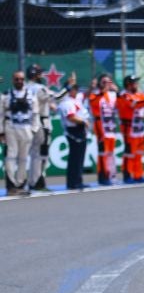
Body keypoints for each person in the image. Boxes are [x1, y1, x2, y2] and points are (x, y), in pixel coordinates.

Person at [1, 70, 39, 195]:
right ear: (13, 80)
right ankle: (11, 186)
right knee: (10, 157)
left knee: (23, 158)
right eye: (17, 79)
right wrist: (1, 131)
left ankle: (21, 184)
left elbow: (35, 114)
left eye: (21, 79)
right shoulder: (6, 95)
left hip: (26, 129)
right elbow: (1, 114)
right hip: (11, 128)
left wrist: (34, 130)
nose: (19, 81)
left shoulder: (31, 95)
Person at [57, 75, 91, 190]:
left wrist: (91, 85)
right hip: (74, 130)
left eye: (76, 88)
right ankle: (73, 182)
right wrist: (84, 121)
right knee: (75, 157)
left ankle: (78, 180)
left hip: (80, 129)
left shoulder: (76, 99)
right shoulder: (66, 102)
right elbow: (71, 117)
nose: (76, 90)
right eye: (74, 88)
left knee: (80, 157)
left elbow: (85, 94)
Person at [25, 63, 55, 191]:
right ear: (34, 75)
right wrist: (67, 88)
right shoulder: (39, 88)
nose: (42, 75)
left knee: (34, 154)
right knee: (41, 154)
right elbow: (56, 97)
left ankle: (35, 181)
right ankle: (37, 182)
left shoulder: (25, 87)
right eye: (39, 73)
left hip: (30, 123)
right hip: (42, 123)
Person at [89, 74, 119, 185]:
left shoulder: (113, 95)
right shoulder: (95, 94)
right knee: (103, 152)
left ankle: (112, 174)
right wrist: (102, 91)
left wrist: (118, 92)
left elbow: (121, 104)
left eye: (108, 82)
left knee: (111, 152)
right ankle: (103, 176)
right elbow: (93, 103)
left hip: (111, 127)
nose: (107, 84)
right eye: (104, 82)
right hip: (101, 127)